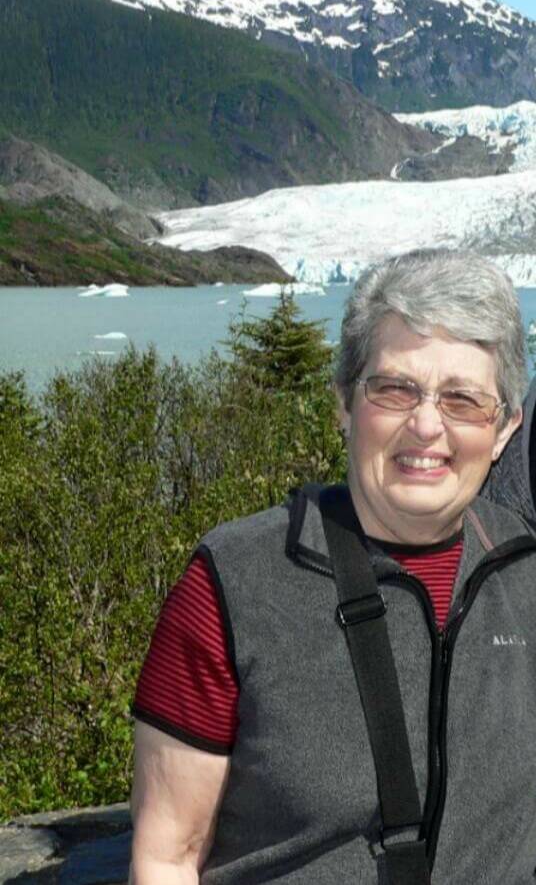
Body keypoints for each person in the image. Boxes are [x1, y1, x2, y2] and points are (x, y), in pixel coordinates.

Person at [129, 252, 536, 885]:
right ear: (344, 402)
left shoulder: (524, 573)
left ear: (505, 428)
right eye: (395, 389)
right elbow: (166, 857)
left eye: (462, 399)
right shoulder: (234, 584)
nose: (427, 425)